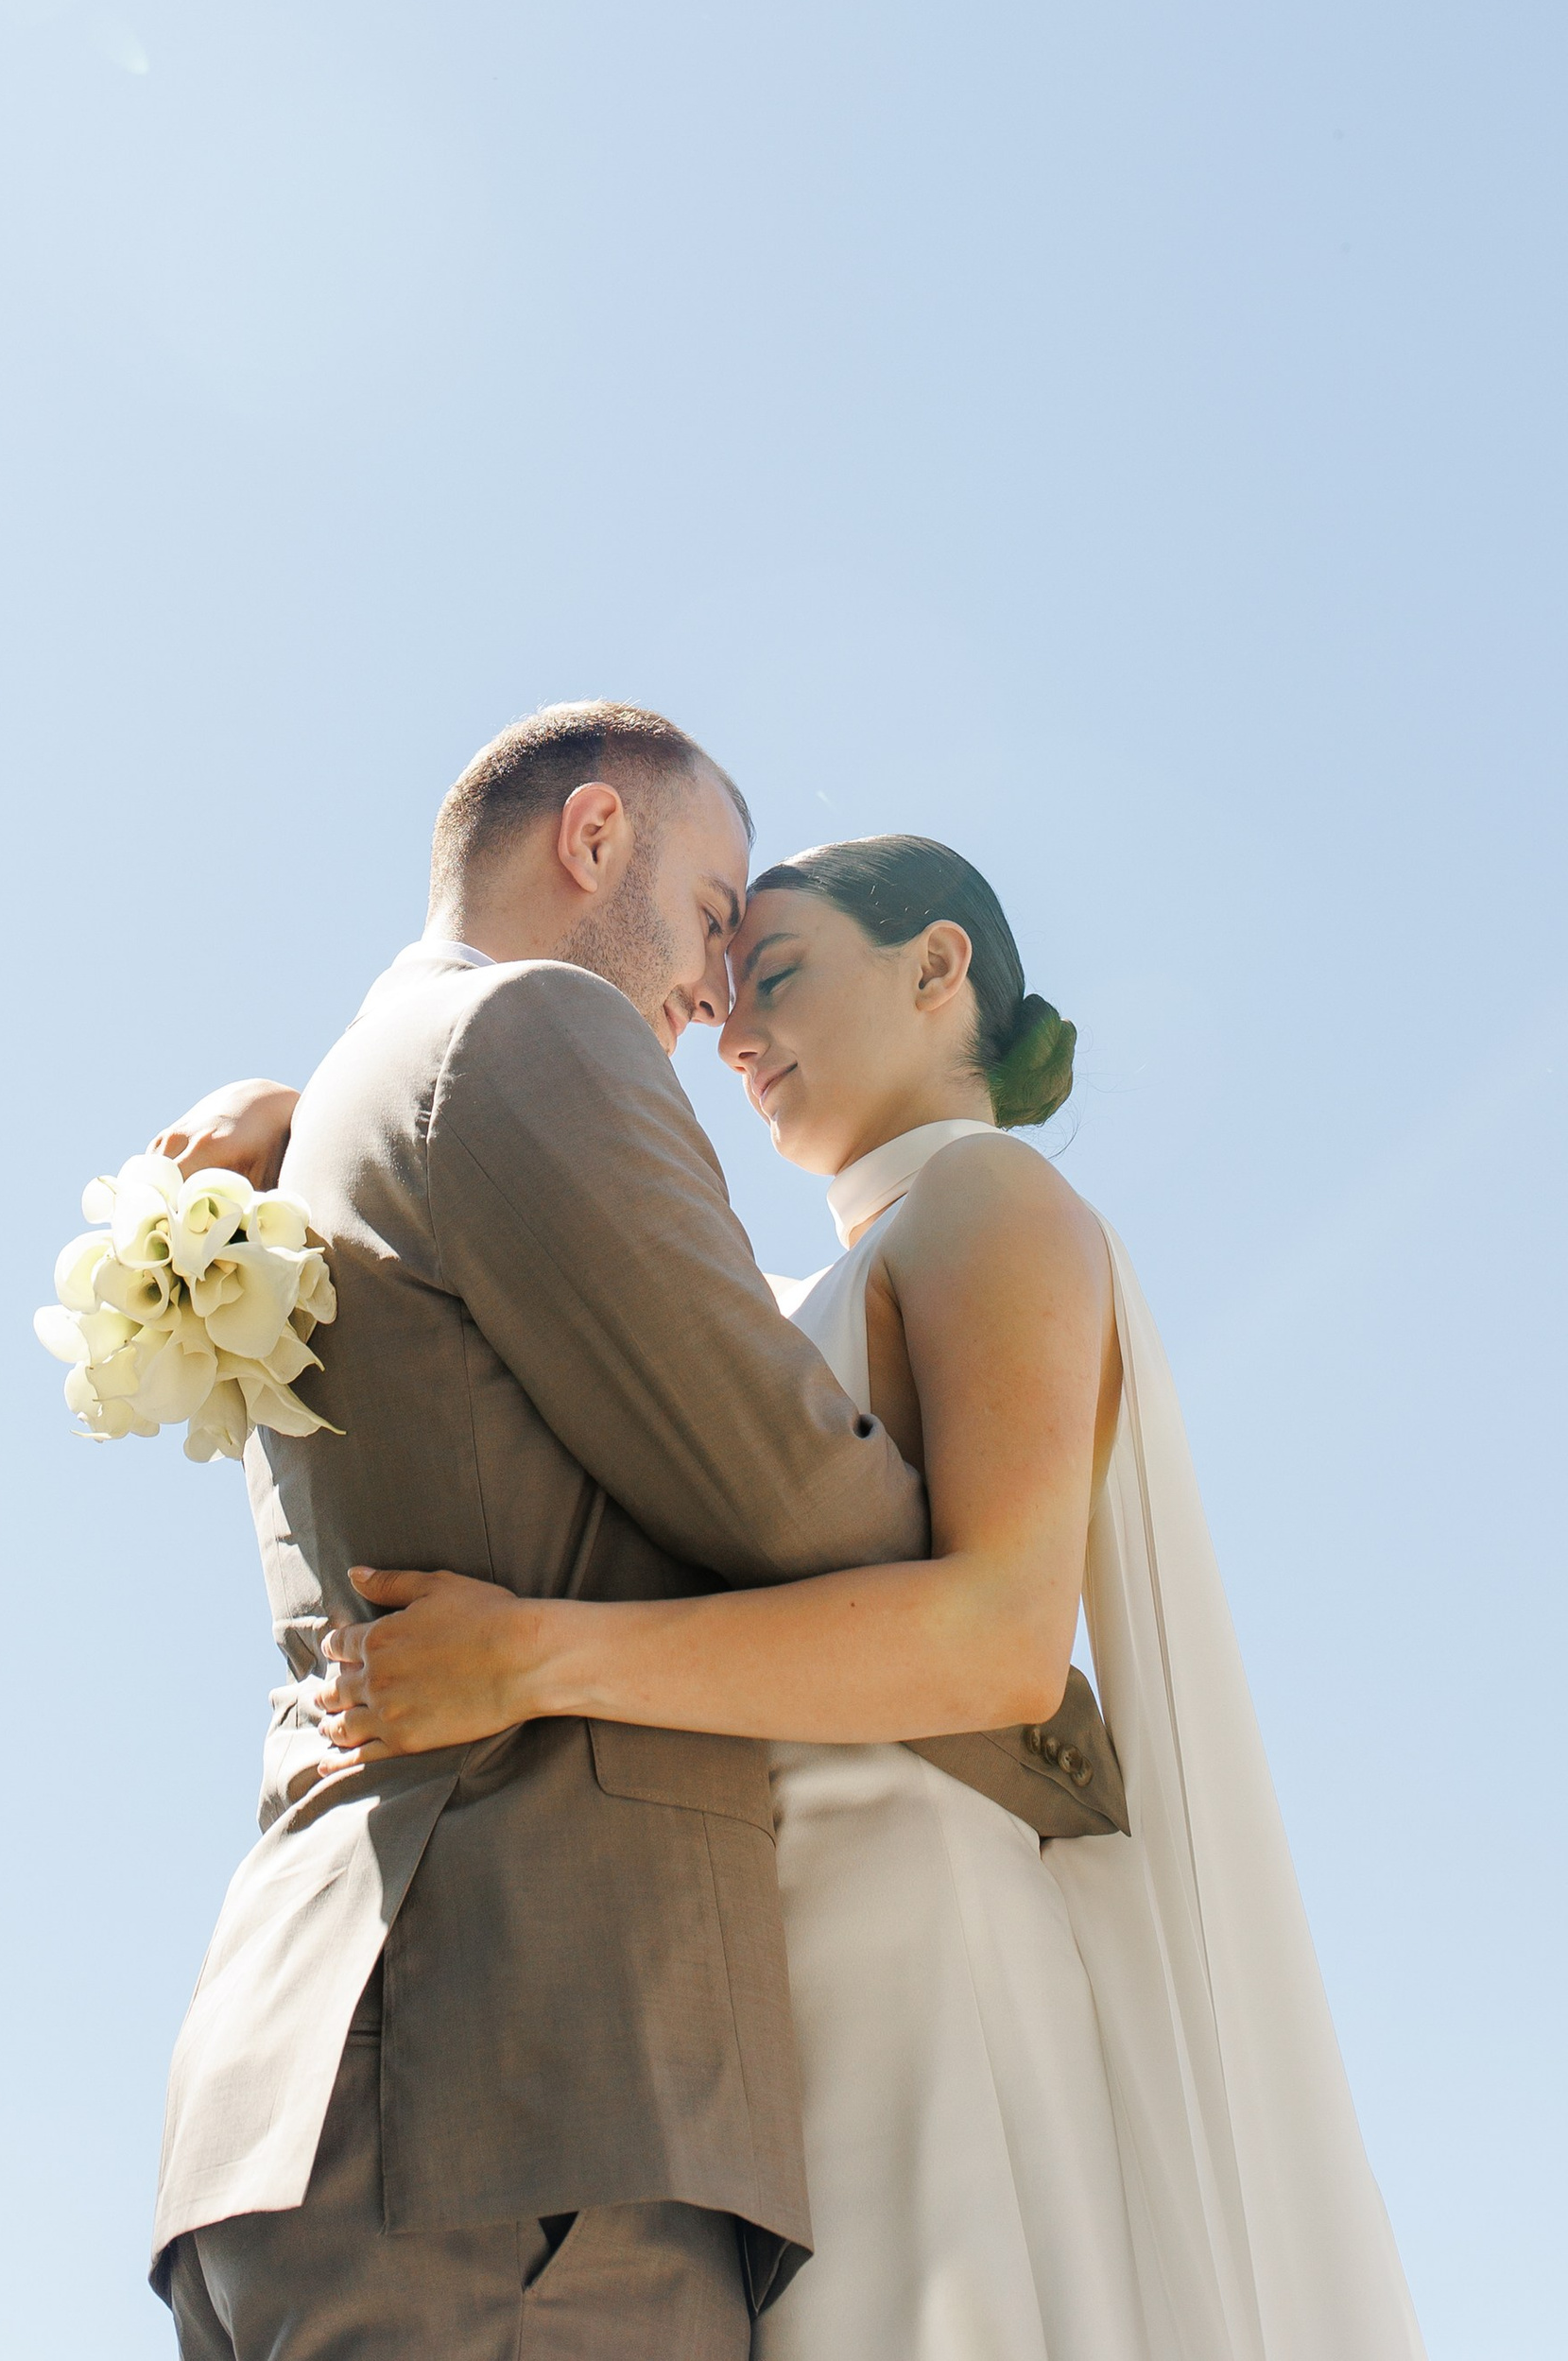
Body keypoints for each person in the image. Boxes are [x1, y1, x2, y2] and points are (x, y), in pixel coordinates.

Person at [292, 834, 1431, 2361]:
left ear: (936, 967)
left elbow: (1004, 1641)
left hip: (924, 1949)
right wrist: (307, 1124)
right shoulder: (795, 1291)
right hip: (762, 1981)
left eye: (772, 975)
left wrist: (537, 1662)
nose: (733, 1028)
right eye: (729, 988)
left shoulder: (993, 1206)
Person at [146, 703, 938, 2361]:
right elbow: (810, 1502)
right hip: (516, 2117)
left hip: (326, 2103)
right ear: (593, 842)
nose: (719, 992)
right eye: (718, 916)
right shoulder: (530, 1033)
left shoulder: (337, 1127)